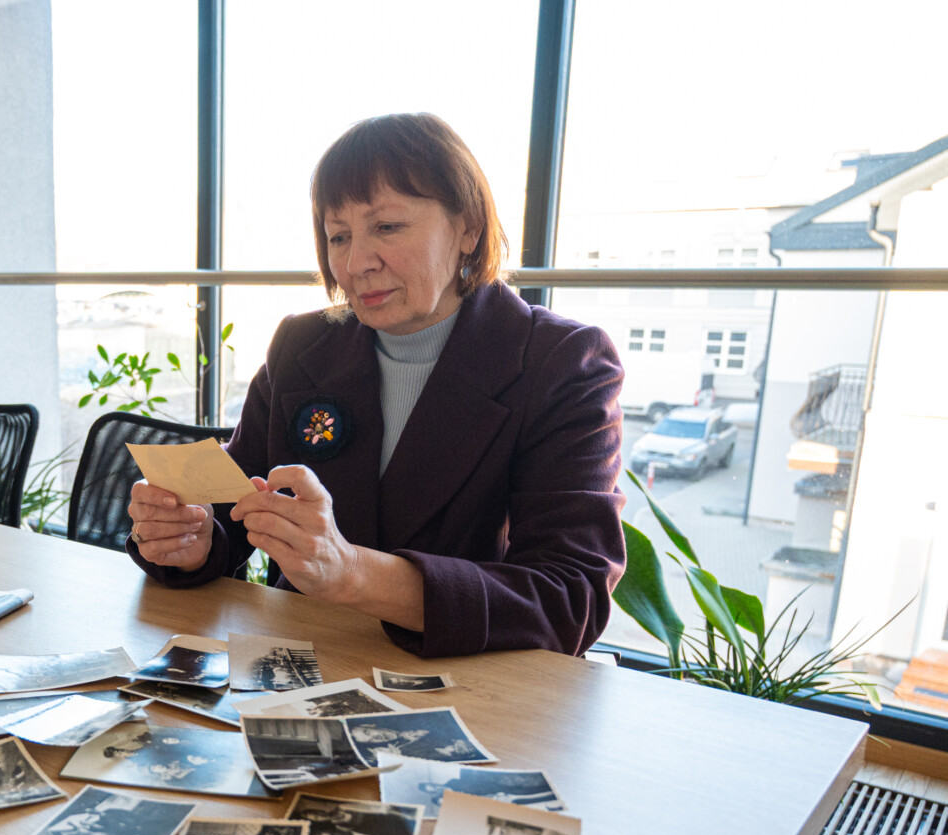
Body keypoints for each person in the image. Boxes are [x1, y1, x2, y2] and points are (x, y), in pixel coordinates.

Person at [126, 113, 625, 657]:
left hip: (469, 678)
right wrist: (192, 537)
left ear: (468, 228)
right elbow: (235, 503)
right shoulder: (303, 345)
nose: (356, 263)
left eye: (387, 227)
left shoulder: (560, 363)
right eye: (338, 236)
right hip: (301, 663)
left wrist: (351, 573)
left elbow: (569, 595)